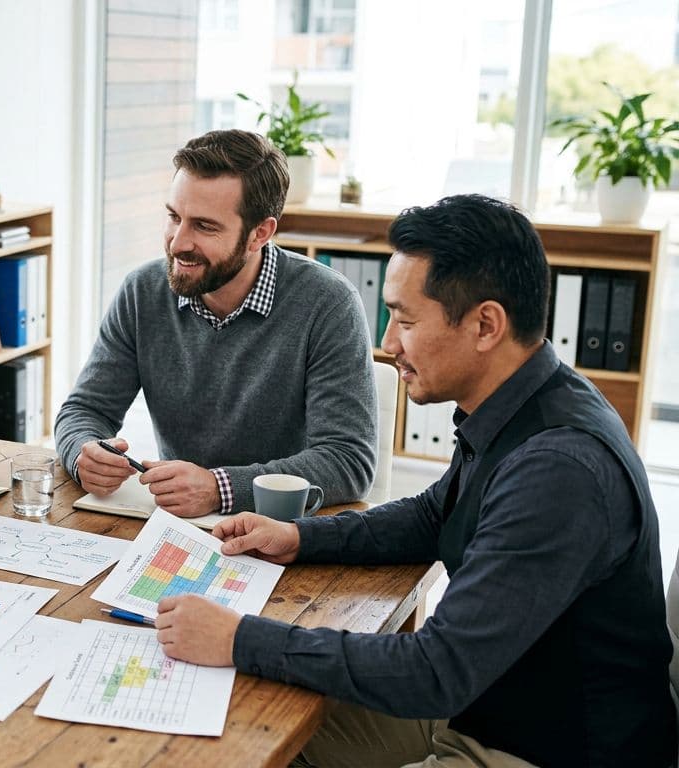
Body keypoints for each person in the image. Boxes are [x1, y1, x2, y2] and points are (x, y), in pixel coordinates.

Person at [156, 194, 676, 767]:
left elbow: (435, 670)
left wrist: (239, 637)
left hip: (545, 750)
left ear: (485, 325)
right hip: (492, 701)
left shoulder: (557, 468)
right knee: (247, 728)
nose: (388, 343)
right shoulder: (525, 401)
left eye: (405, 319)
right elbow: (435, 514)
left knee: (259, 715)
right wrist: (301, 538)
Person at [55, 129, 376, 518]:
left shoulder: (328, 303)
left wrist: (219, 489)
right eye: (174, 217)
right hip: (178, 528)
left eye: (204, 226)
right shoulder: (143, 291)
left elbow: (347, 461)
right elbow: (83, 410)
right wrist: (82, 452)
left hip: (284, 535)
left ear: (260, 233)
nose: (177, 242)